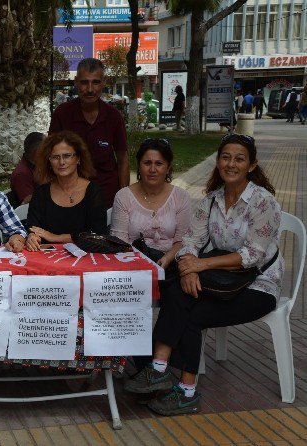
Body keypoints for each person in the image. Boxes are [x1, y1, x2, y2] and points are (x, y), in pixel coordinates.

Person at [124, 133, 284, 416]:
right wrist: (187, 267)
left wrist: (201, 266)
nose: (231, 164)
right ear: (217, 162)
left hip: (259, 286)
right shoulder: (211, 200)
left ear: (251, 165)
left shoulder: (263, 202)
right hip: (221, 281)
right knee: (179, 289)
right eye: (225, 157)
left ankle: (179, 386)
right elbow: (191, 242)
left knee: (191, 312)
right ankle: (161, 371)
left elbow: (253, 255)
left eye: (239, 159)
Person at [110, 138, 191, 373]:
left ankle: (158, 364)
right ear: (139, 165)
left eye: (159, 163)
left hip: (170, 262)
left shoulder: (181, 197)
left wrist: (166, 260)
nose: (153, 169)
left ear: (168, 167)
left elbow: (183, 240)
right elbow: (119, 241)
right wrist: (145, 264)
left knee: (178, 294)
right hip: (134, 266)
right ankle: (144, 367)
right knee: (132, 294)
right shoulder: (124, 196)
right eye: (147, 163)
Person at [49, 58, 129, 209]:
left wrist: (123, 199)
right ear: (76, 82)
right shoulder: (62, 114)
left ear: (104, 82)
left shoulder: (113, 116)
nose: (90, 89)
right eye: (85, 82)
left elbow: (123, 159)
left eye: (96, 82)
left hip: (107, 196)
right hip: (70, 196)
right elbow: (50, 155)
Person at [24, 131, 107, 251]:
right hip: (47, 259)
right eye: (55, 157)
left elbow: (98, 235)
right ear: (49, 162)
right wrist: (31, 236)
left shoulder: (93, 191)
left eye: (67, 156)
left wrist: (56, 237)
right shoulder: (41, 193)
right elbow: (32, 228)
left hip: (87, 258)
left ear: (78, 158)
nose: (61, 162)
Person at [10, 132, 45, 205]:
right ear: (37, 152)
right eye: (46, 148)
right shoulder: (22, 174)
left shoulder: (36, 166)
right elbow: (29, 205)